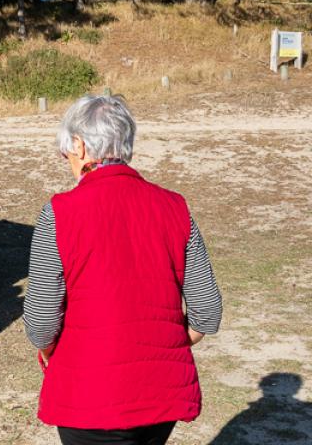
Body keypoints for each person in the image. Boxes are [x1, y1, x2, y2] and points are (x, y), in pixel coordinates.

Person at [23, 95, 222, 445]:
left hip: (87, 397)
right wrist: (167, 345)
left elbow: (41, 323)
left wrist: (54, 352)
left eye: (65, 152)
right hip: (162, 394)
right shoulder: (175, 207)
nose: (66, 160)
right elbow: (207, 313)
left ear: (79, 145)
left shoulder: (58, 213)